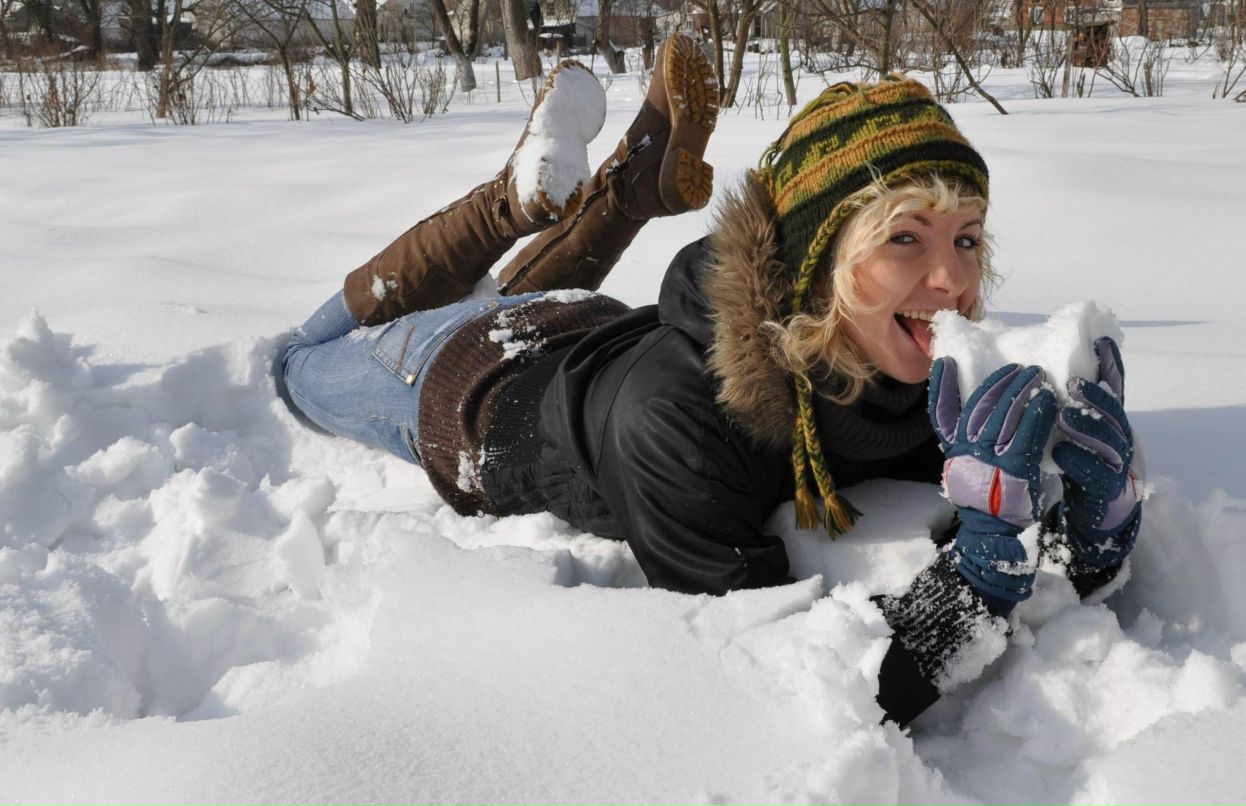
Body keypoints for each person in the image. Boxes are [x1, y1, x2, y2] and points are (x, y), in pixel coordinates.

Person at [280, 35, 1143, 726]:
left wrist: (1086, 532)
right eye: (905, 237)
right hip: (463, 381)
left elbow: (1008, 528)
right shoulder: (677, 426)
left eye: (967, 237)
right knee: (298, 361)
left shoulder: (908, 355)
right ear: (815, 260)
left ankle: (621, 193)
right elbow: (786, 688)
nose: (952, 279)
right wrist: (974, 586)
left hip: (596, 323)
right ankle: (507, 204)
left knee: (531, 290)